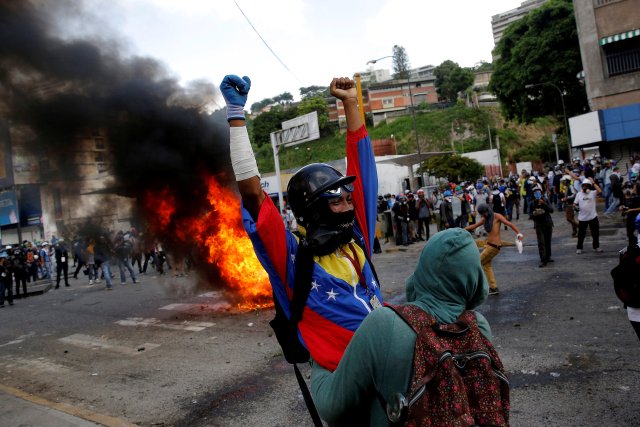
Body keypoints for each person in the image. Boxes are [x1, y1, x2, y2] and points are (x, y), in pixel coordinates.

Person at [221, 74, 382, 371]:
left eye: (349, 200)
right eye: (337, 201)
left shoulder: (356, 237)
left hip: (384, 359)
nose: (349, 207)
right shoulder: (293, 257)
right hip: (341, 374)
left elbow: (364, 167)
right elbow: (254, 197)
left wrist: (350, 103)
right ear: (314, 209)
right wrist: (236, 117)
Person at [311, 229, 498, 425]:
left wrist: (317, 354)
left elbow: (331, 407)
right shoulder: (479, 328)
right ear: (474, 277)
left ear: (423, 270)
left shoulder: (384, 325)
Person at [465, 204, 523, 295]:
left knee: (476, 264)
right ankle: (493, 287)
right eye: (482, 214)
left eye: (483, 213)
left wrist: (519, 234)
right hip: (489, 246)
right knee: (487, 266)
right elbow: (474, 226)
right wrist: (460, 229)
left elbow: (509, 224)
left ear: (487, 211)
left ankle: (471, 288)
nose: (482, 216)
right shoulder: (485, 219)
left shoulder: (497, 216)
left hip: (494, 247)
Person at [572, 176, 603, 254]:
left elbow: (599, 191)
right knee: (581, 234)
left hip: (593, 217)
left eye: (587, 185)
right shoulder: (579, 194)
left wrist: (593, 182)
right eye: (584, 185)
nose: (585, 187)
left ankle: (596, 247)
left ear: (589, 187)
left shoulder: (592, 193)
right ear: (582, 186)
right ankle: (579, 248)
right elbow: (574, 203)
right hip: (582, 218)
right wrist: (575, 207)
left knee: (595, 233)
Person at [530, 185, 554, 267]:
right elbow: (530, 215)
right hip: (539, 224)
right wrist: (534, 214)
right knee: (541, 242)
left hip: (548, 223)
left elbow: (551, 210)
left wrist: (544, 204)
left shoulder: (546, 200)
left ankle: (548, 256)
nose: (537, 193)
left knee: (548, 241)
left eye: (538, 191)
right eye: (535, 192)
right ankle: (543, 259)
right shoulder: (532, 203)